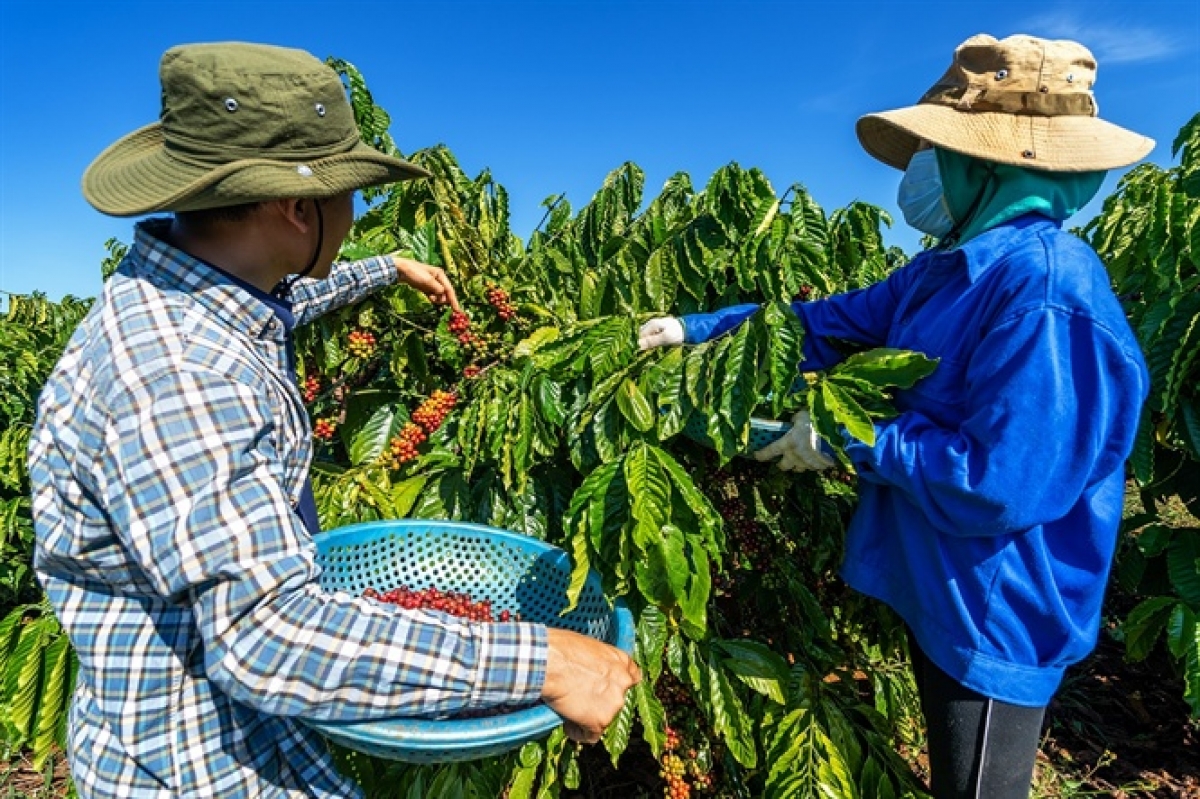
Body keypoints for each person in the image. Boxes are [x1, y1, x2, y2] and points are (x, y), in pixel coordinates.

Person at [28, 42, 639, 799]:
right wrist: (544, 660)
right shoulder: (176, 374)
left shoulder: (204, 296)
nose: (355, 214)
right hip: (196, 769)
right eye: (349, 193)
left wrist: (389, 269)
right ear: (296, 208)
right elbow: (268, 636)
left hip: (252, 738)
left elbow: (282, 303)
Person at [638, 33, 1152, 799]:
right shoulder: (939, 272)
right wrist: (697, 328)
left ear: (989, 165)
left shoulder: (1046, 293)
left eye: (935, 151)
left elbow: (1001, 483)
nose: (918, 170)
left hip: (994, 606)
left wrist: (846, 436)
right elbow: (817, 324)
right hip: (936, 581)